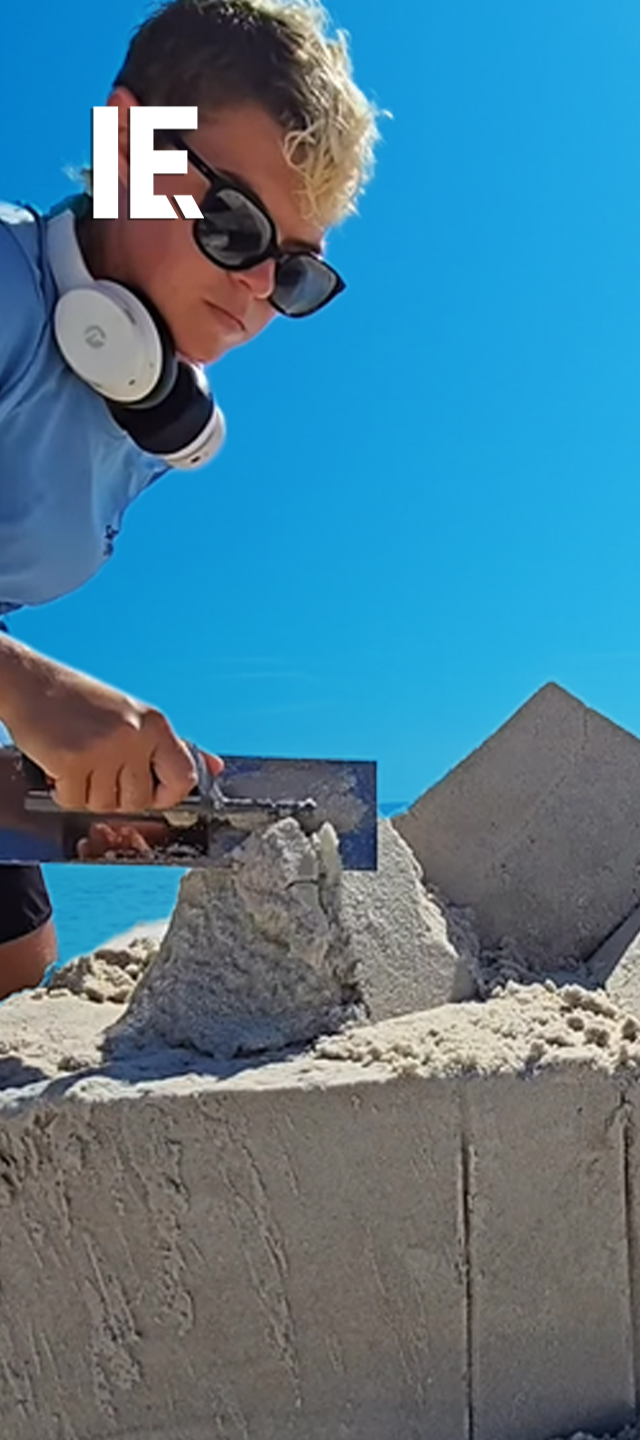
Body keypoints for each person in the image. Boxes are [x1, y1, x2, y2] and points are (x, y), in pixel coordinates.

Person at [0, 0, 379, 997]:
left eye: (293, 273)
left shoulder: (143, 421)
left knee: (20, 966)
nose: (259, 286)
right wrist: (32, 691)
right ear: (125, 147)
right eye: (233, 224)